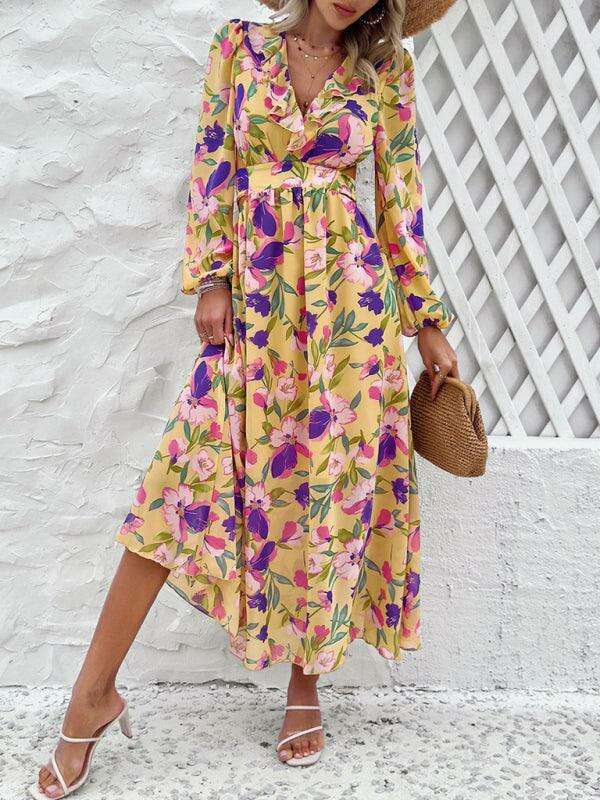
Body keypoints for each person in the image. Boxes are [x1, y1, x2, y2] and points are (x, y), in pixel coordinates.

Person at [30, 0, 459, 796]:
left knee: (324, 495)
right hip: (256, 303)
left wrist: (426, 323)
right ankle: (93, 694)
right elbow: (214, 164)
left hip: (350, 314)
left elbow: (401, 201)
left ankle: (304, 684)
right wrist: (213, 276)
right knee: (175, 486)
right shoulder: (240, 48)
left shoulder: (385, 72)